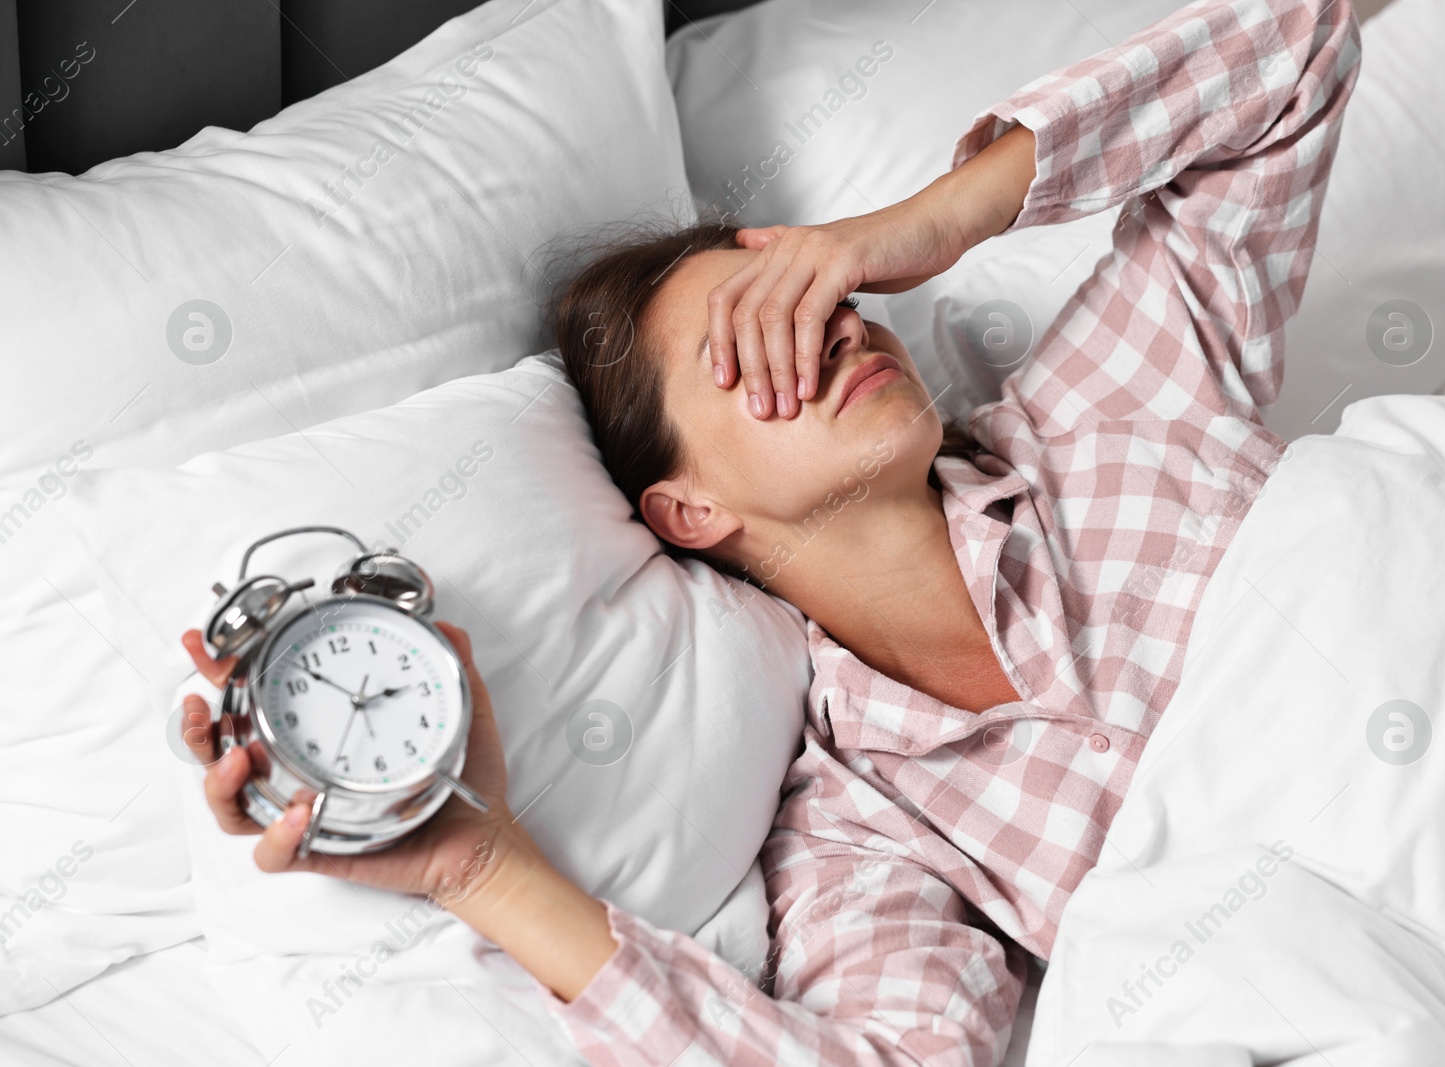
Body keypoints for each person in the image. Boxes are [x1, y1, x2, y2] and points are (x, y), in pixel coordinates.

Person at [178, 0, 1362, 1061]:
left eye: (818, 297)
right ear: (690, 510)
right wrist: (482, 865)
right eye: (746, 348)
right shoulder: (863, 824)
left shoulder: (1107, 401)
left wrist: (929, 223)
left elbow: (1298, 46)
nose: (830, 328)